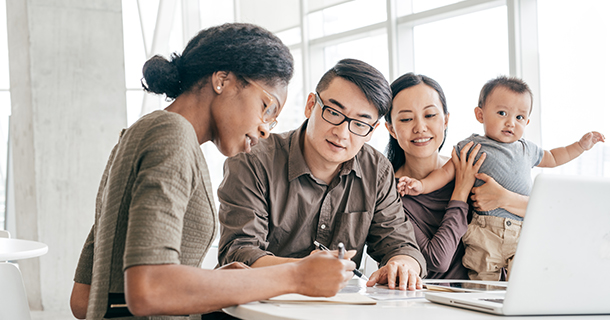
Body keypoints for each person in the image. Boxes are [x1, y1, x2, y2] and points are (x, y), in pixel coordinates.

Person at [69, 23, 355, 320]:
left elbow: (84, 298)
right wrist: (297, 276)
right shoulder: (172, 134)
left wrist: (227, 283)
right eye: (266, 107)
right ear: (223, 80)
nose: (265, 129)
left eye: (273, 121)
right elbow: (150, 289)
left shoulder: (137, 135)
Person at [217, 59, 427, 291]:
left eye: (359, 124)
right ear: (310, 106)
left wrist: (402, 265)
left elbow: (401, 245)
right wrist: (302, 273)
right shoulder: (254, 159)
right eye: (334, 113)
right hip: (256, 307)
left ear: (371, 131)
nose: (342, 133)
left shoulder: (377, 169)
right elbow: (238, 253)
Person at [398, 75, 605, 280]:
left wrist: (580, 146)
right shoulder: (468, 152)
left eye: (519, 118)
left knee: (529, 279)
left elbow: (553, 161)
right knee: (485, 277)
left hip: (520, 232)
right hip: (482, 240)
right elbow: (443, 175)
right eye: (502, 113)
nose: (510, 123)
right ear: (480, 115)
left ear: (446, 120)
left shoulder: (526, 149)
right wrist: (422, 186)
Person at [385, 73, 486, 279]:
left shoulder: (467, 166)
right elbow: (436, 260)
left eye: (430, 115)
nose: (420, 127)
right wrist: (460, 191)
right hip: (433, 305)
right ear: (391, 129)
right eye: (406, 119)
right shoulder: (389, 193)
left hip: (495, 297)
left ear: (446, 120)